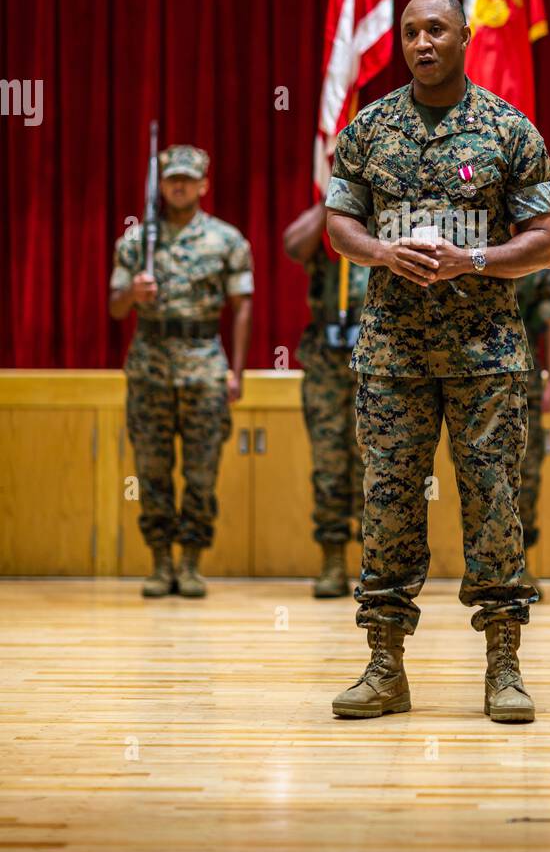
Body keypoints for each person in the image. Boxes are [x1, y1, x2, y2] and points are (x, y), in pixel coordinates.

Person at [324, 0, 550, 723]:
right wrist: (381, 252)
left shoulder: (508, 129)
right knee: (389, 503)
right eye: (411, 32)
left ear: (464, 38)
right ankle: (385, 666)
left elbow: (545, 240)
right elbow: (338, 223)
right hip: (393, 354)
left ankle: (504, 668)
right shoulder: (370, 129)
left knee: (494, 502)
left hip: (485, 354)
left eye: (437, 30)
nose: (422, 42)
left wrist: (476, 259)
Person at [109, 144, 253, 599]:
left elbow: (242, 306)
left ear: (203, 185)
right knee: (151, 470)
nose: (179, 185)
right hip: (150, 364)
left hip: (204, 365)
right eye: (173, 178)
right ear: (162, 183)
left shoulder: (227, 240)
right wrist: (133, 292)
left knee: (201, 471)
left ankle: (190, 563)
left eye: (188, 179)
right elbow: (114, 308)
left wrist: (237, 371)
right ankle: (160, 562)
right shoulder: (136, 241)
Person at [283, 201, 369, 597]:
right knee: (329, 462)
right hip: (327, 360)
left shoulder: (390, 214)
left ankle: (378, 566)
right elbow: (293, 246)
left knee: (382, 466)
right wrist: (329, 204)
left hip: (379, 356)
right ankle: (333, 560)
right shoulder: (328, 224)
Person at [514, 266, 550, 600]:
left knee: (526, 477)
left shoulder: (536, 264)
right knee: (479, 480)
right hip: (473, 380)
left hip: (525, 378)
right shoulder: (468, 247)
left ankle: (522, 564)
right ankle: (486, 568)